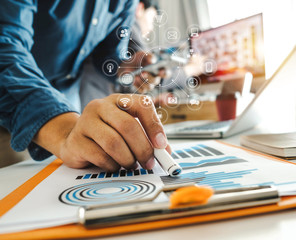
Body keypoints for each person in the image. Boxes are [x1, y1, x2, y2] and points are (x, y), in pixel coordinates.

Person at [0, 0, 170, 170]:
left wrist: (124, 67)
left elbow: (108, 54)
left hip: (73, 121)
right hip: (14, 119)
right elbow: (6, 46)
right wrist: (65, 132)